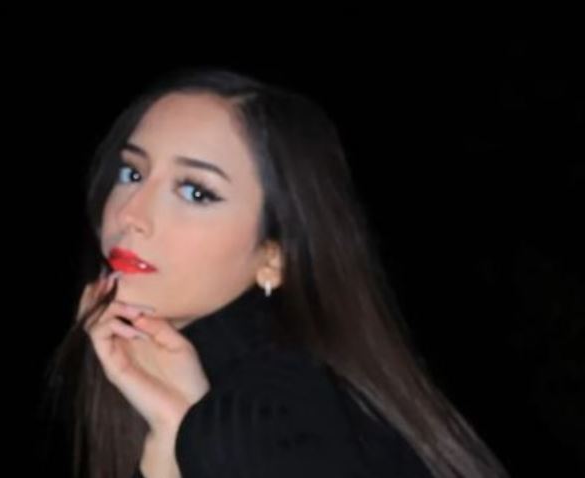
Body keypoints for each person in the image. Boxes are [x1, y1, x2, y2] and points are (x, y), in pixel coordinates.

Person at [43, 68, 510, 478]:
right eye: (131, 173)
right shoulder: (245, 396)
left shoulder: (266, 411)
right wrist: (172, 433)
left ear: (273, 257)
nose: (131, 214)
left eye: (195, 192)